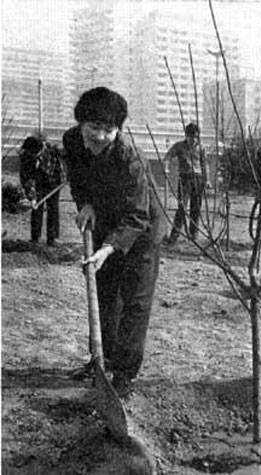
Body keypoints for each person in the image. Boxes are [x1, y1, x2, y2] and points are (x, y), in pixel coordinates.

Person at [63, 87, 167, 399]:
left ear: (118, 130)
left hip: (143, 227)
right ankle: (101, 359)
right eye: (93, 128)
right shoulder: (71, 141)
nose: (99, 136)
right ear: (80, 123)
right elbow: (78, 180)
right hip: (107, 219)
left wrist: (108, 248)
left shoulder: (128, 157)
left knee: (134, 300)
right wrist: (86, 204)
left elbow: (138, 215)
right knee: (105, 294)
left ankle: (123, 373)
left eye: (108, 130)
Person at [164, 123, 207, 243]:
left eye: (196, 137)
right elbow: (168, 156)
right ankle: (174, 236)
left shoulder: (201, 148)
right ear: (186, 136)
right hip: (184, 180)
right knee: (181, 208)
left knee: (196, 209)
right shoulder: (179, 146)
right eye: (191, 137)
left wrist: (206, 181)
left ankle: (193, 236)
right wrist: (166, 166)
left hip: (198, 180)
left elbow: (204, 165)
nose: (193, 140)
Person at [19, 135, 65, 246]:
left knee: (53, 208)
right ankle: (35, 238)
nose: (33, 156)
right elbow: (26, 178)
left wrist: (66, 177)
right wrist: (32, 197)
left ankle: (52, 238)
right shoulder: (26, 156)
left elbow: (65, 162)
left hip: (54, 180)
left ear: (40, 149)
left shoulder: (52, 150)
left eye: (36, 154)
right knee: (36, 208)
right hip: (39, 181)